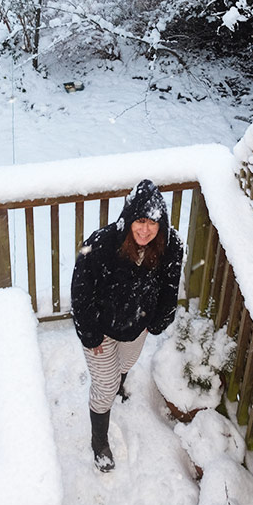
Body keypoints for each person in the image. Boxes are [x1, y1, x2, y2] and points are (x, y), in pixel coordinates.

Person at [70, 179, 184, 471]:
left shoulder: (170, 247)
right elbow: (80, 293)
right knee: (105, 385)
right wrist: (91, 335)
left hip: (137, 327)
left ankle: (117, 384)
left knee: (127, 363)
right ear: (129, 218)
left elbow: (170, 289)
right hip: (102, 330)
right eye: (140, 221)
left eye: (153, 223)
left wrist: (156, 321)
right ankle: (99, 439)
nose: (145, 229)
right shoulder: (100, 244)